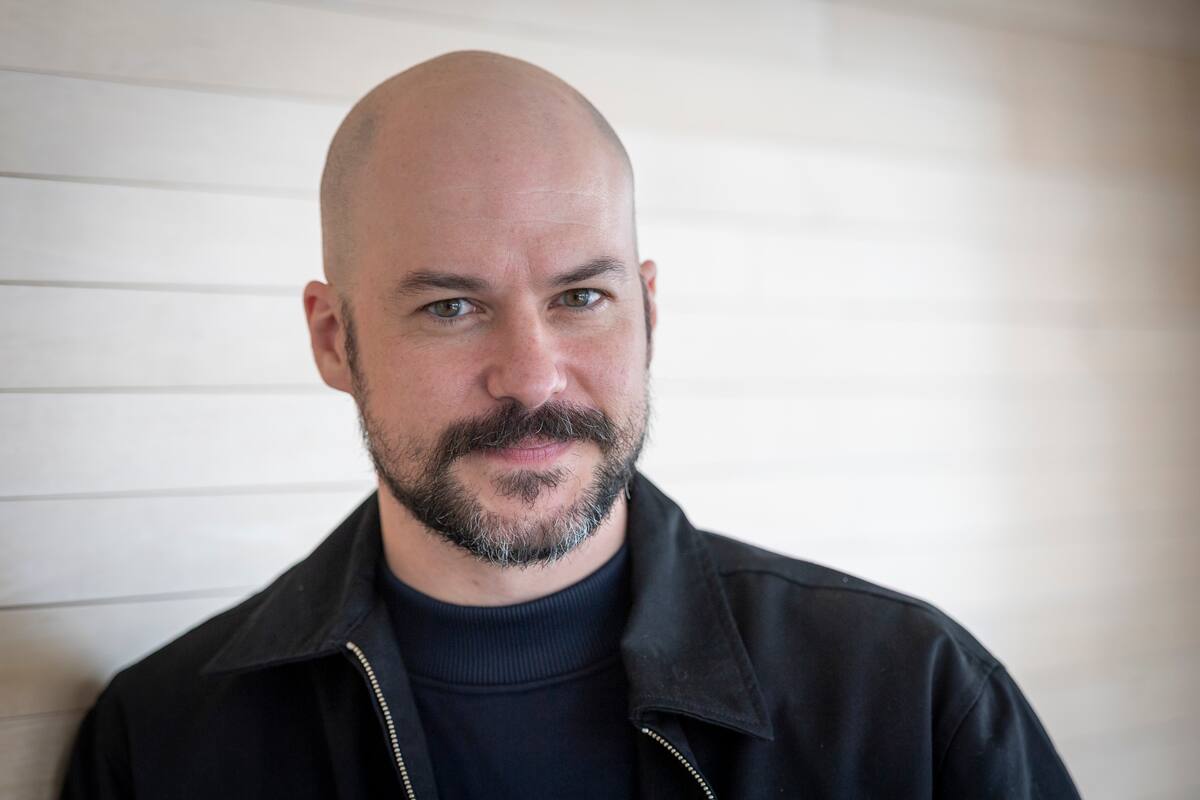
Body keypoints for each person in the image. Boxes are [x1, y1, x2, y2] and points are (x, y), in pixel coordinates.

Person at [60, 51, 1081, 799]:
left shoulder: (911, 699)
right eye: (451, 306)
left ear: (648, 311)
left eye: (582, 297)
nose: (533, 375)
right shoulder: (165, 744)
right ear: (335, 340)